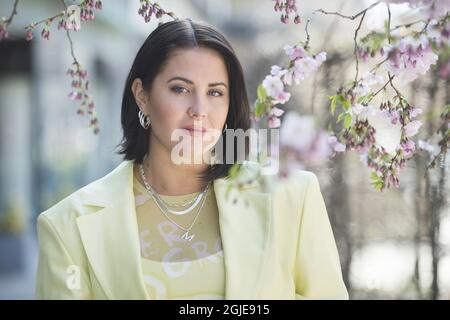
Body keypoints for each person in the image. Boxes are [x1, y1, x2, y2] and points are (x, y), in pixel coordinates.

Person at [35, 18, 348, 300]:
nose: (199, 109)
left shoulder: (292, 196)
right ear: (142, 95)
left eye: (215, 93)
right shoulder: (67, 226)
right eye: (180, 89)